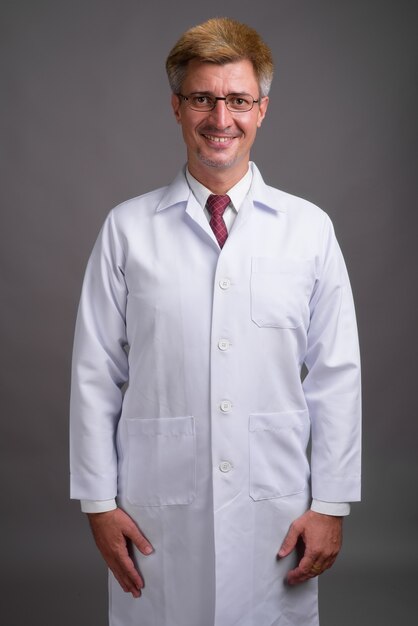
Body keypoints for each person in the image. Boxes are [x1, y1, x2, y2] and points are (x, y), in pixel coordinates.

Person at [70, 17, 361, 626]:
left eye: (237, 100)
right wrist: (98, 503)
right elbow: (95, 373)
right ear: (177, 108)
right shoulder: (128, 230)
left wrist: (331, 502)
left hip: (273, 513)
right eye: (203, 98)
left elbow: (335, 374)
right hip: (159, 514)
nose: (220, 118)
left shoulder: (309, 230)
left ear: (263, 110)